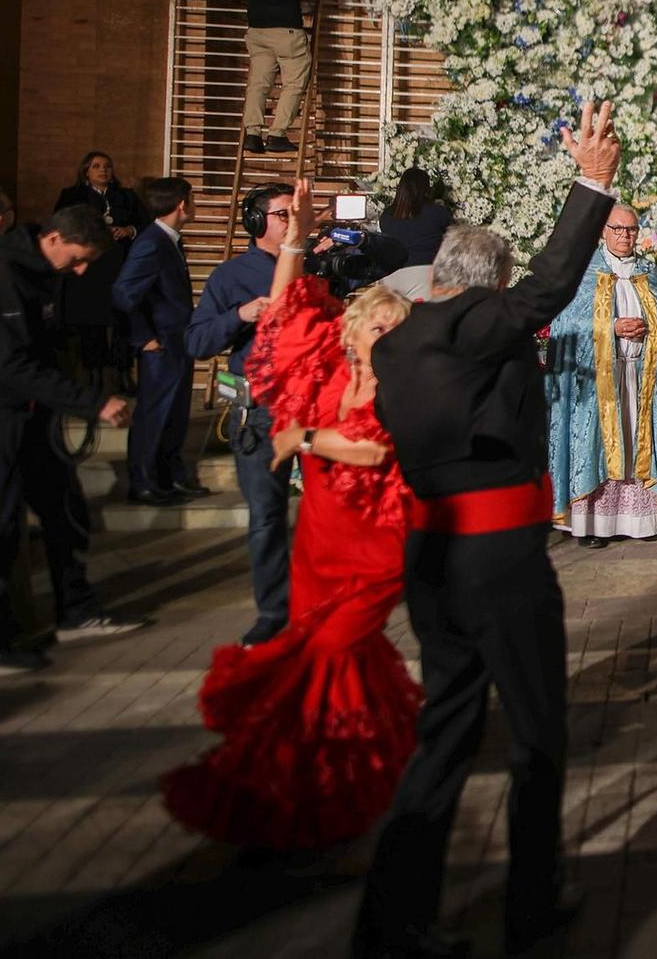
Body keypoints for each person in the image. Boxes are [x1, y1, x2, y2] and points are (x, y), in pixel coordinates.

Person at [353, 99, 618, 959]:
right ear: (484, 283)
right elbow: (548, 287)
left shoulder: (400, 344)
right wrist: (592, 182)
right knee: (539, 731)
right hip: (499, 559)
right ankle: (531, 908)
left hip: (430, 557)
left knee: (449, 731)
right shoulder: (474, 323)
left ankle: (391, 922)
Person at [162, 180, 423, 851]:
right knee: (327, 655)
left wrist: (304, 439)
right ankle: (331, 761)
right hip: (321, 539)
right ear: (353, 326)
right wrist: (298, 241)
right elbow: (280, 316)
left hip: (374, 546)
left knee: (333, 648)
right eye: (376, 323)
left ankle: (340, 769)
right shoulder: (330, 368)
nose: (385, 334)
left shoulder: (405, 387)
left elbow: (370, 449)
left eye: (396, 327)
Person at [0, 205, 143, 677]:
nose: (80, 271)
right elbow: (10, 365)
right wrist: (90, 402)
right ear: (53, 239)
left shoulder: (39, 274)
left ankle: (76, 612)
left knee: (65, 511)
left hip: (34, 418)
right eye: (77, 259)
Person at [544, 204, 657, 547]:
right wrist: (611, 327)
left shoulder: (647, 270)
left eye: (631, 230)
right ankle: (593, 525)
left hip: (640, 377)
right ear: (602, 231)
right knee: (597, 446)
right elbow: (566, 325)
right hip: (597, 383)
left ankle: (636, 521)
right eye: (618, 229)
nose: (625, 236)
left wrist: (650, 327)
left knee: (634, 445)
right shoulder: (585, 271)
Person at [185, 184, 291, 646]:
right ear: (255, 222)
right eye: (282, 214)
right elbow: (197, 342)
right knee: (266, 516)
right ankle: (274, 609)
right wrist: (242, 314)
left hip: (315, 405)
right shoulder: (231, 276)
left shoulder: (316, 264)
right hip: (262, 410)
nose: (290, 221)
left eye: (294, 213)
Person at [112, 177, 202, 505]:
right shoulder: (152, 241)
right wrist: (144, 338)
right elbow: (123, 293)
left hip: (177, 341)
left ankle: (170, 477)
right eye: (191, 199)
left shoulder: (170, 240)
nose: (193, 204)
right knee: (154, 414)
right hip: (160, 344)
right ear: (181, 205)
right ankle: (144, 481)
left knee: (175, 415)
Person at [242, 0, 336, 154]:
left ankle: (252, 133)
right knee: (294, 81)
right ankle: (277, 134)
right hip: (286, 33)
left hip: (257, 33)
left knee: (259, 83)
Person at [54, 151, 148, 385]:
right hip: (89, 269)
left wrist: (129, 230)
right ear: (86, 171)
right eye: (96, 166)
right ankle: (94, 374)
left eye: (107, 166)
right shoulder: (73, 195)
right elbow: (60, 225)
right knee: (91, 320)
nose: (103, 170)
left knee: (122, 320)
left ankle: (123, 374)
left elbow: (144, 223)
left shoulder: (126, 196)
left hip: (120, 265)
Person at [380, 167, 453, 268]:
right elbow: (452, 238)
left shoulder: (386, 216)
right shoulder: (437, 213)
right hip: (429, 273)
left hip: (395, 275)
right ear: (425, 189)